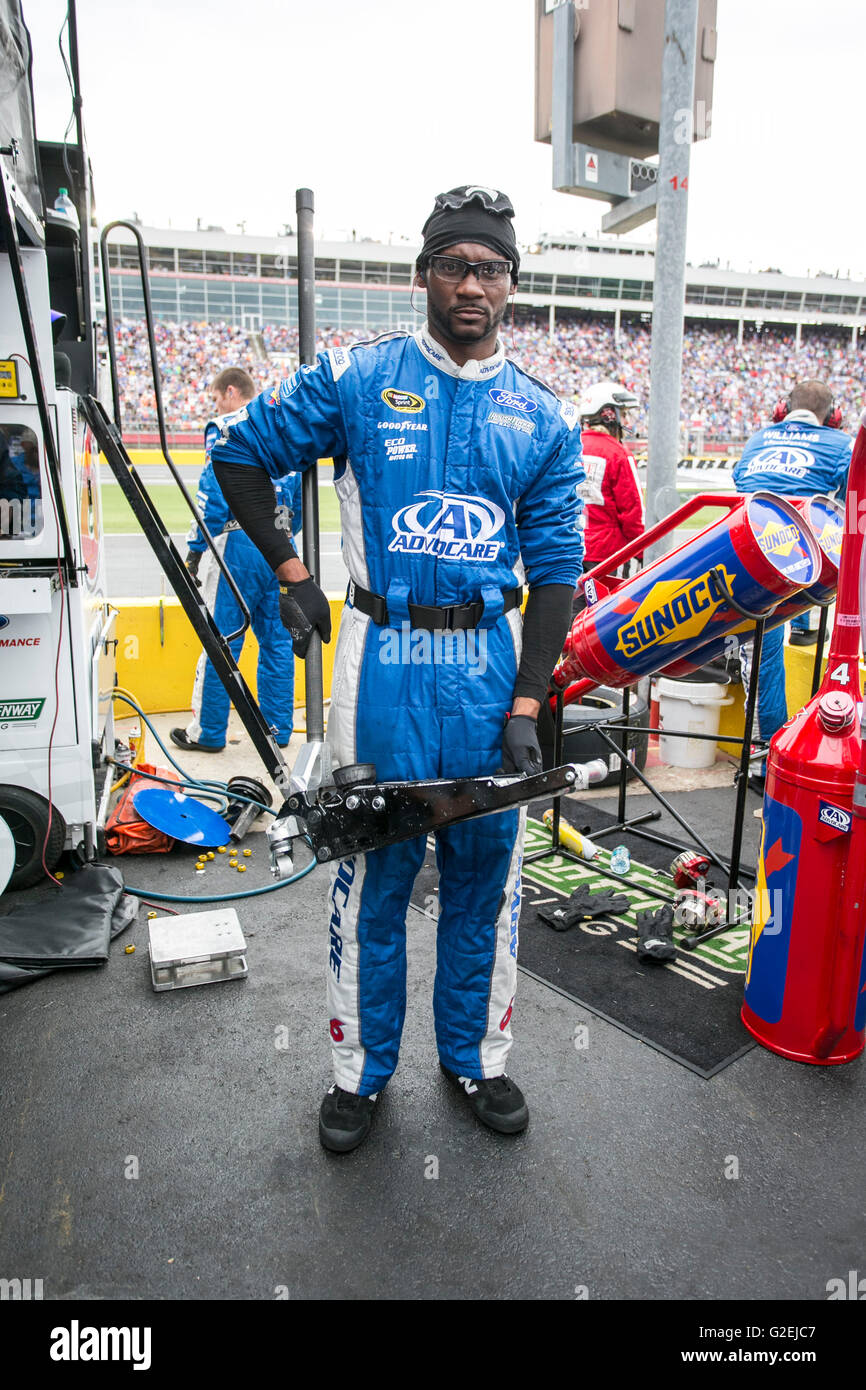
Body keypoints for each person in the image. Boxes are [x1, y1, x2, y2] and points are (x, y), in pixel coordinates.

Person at [211, 186, 585, 1152]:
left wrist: (530, 700)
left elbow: (555, 574)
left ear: (512, 284)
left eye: (491, 268)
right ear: (423, 275)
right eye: (455, 264)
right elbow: (239, 456)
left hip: (486, 662)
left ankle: (475, 1058)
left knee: (485, 875)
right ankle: (357, 1074)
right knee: (373, 875)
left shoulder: (544, 417)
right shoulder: (356, 377)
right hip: (379, 663)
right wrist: (292, 574)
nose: (473, 284)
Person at [170, 367, 302, 753]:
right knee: (277, 641)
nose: (216, 404)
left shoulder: (226, 425)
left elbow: (213, 493)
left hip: (237, 543)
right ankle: (278, 730)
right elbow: (296, 499)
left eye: (216, 396)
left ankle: (209, 731)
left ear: (230, 391)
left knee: (222, 640)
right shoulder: (284, 427)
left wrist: (195, 550)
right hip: (280, 546)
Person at [732, 379, 854, 783]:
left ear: (783, 410)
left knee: (762, 656)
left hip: (750, 554)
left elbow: (740, 482)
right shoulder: (840, 444)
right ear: (833, 416)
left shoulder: (758, 439)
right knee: (768, 658)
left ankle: (762, 754)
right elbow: (853, 495)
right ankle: (769, 759)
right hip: (806, 564)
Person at [574, 380, 643, 610]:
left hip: (571, 548)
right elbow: (632, 513)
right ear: (608, 414)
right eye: (621, 414)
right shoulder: (618, 454)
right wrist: (644, 552)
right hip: (607, 555)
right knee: (605, 620)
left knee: (571, 618)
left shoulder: (570, 446)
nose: (625, 421)